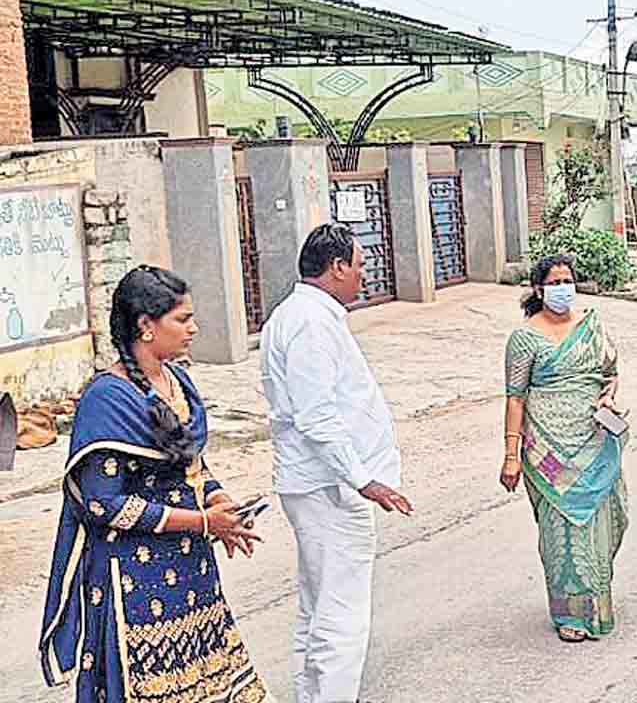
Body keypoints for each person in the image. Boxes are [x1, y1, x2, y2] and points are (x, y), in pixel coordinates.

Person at [39, 265, 267, 703]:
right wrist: (202, 522)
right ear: (146, 326)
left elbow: (190, 467)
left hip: (193, 571)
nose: (194, 329)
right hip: (135, 580)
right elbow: (105, 505)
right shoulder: (106, 400)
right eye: (182, 320)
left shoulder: (177, 380)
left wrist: (220, 502)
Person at [260, 224, 413, 703]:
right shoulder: (308, 321)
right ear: (338, 266)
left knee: (319, 608)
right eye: (360, 265)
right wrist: (363, 478)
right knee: (342, 617)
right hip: (328, 487)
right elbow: (316, 415)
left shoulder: (309, 314)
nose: (363, 275)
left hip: (322, 482)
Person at [501, 254, 629, 643]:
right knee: (563, 533)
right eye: (554, 282)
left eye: (567, 281)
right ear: (539, 290)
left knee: (606, 522)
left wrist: (609, 395)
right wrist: (511, 455)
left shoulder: (591, 327)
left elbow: (611, 374)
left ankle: (597, 604)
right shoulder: (524, 338)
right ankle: (570, 616)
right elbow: (515, 399)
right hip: (548, 453)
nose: (563, 288)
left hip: (593, 442)